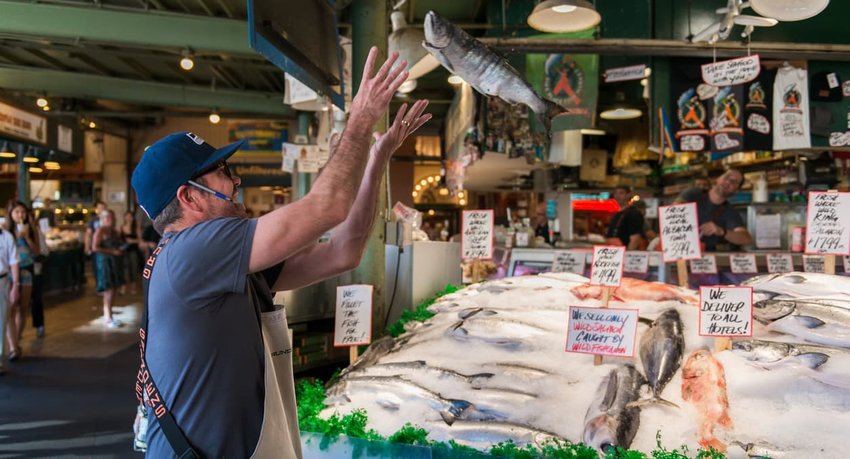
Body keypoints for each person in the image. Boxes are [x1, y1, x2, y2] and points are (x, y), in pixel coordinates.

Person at [131, 47, 430, 458]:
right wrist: (361, 119)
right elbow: (326, 208)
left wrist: (377, 159)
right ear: (189, 198)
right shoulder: (194, 250)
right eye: (222, 174)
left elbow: (343, 251)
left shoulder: (220, 262)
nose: (235, 183)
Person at [676, 169, 753, 251]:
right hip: (679, 250)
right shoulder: (693, 194)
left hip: (706, 259)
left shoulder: (729, 211)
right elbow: (673, 212)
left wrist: (721, 231)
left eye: (734, 182)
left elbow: (746, 239)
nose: (728, 182)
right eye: (727, 177)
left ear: (736, 190)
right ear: (718, 178)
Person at [5, 201, 40, 361]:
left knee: (23, 307)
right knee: (10, 308)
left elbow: (37, 251)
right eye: (17, 212)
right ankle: (12, 346)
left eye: (23, 212)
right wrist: (16, 237)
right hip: (10, 273)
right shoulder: (5, 232)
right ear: (11, 214)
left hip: (27, 270)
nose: (20, 215)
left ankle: (17, 339)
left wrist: (26, 236)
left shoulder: (31, 229)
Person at [92, 209, 126, 328]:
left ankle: (110, 314)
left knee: (114, 289)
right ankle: (108, 317)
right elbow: (95, 247)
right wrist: (112, 251)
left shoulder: (114, 231)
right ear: (104, 219)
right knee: (108, 290)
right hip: (105, 263)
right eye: (110, 217)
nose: (112, 220)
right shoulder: (100, 231)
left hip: (114, 262)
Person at [0, 227, 19, 375]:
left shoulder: (6, 236)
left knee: (1, 321)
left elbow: (14, 262)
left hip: (2, 281)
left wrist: (16, 285)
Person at [120, 211, 142, 295]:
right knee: (125, 269)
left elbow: (140, 240)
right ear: (125, 217)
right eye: (127, 216)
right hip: (124, 251)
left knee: (133, 268)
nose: (129, 218)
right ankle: (123, 288)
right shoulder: (121, 227)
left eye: (130, 216)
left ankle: (133, 288)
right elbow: (119, 240)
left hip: (133, 251)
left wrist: (132, 241)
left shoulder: (136, 228)